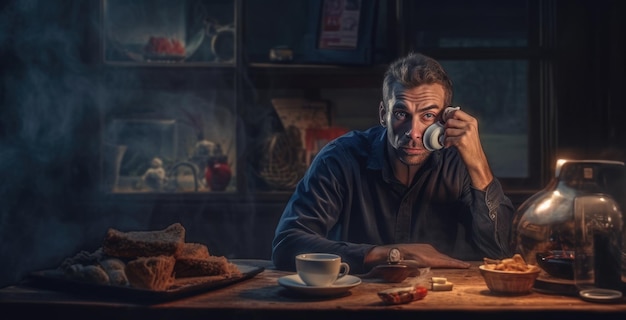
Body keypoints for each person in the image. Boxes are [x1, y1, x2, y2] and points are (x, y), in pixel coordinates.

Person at [271, 52, 515, 274]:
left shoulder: (459, 163)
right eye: (401, 114)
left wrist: (478, 163)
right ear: (382, 114)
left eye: (428, 116)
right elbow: (287, 244)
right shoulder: (340, 158)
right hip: (356, 303)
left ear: (444, 119)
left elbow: (500, 252)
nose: (413, 132)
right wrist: (390, 254)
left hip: (442, 301)